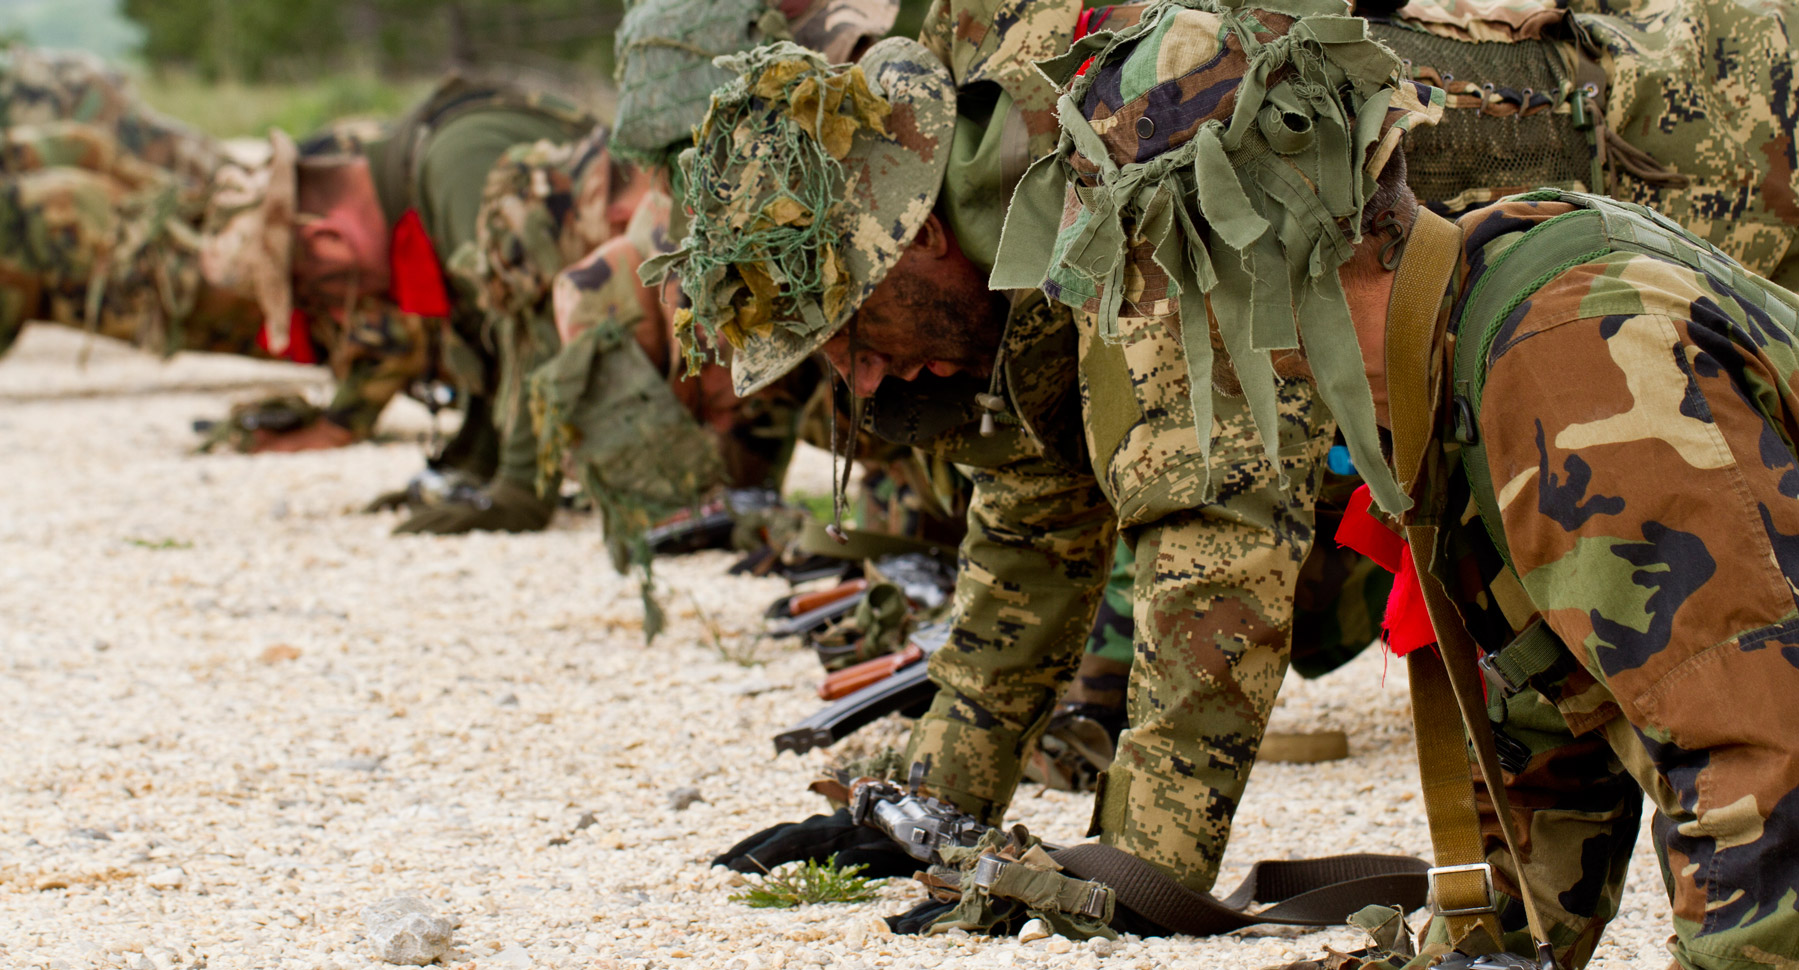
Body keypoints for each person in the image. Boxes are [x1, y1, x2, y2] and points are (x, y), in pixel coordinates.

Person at [996, 0, 1799, 964]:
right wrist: (1484, 946)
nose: (1144, 321)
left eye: (1154, 271)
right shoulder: (1464, 319)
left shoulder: (1563, 356)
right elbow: (1558, 717)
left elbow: (1761, 764)